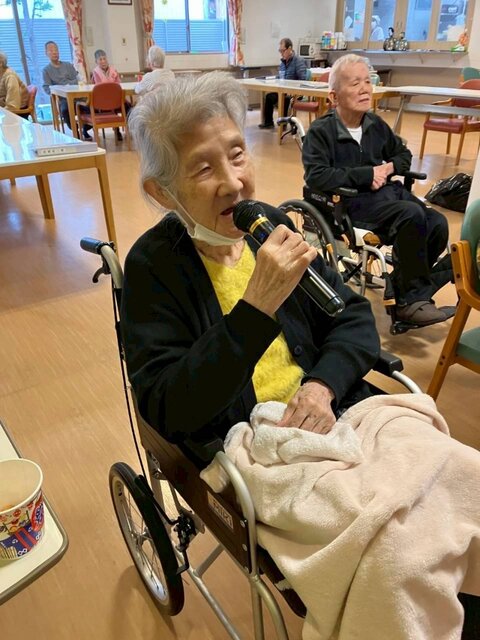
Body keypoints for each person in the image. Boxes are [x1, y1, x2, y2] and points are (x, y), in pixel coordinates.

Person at [121, 71, 480, 639]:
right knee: (397, 556)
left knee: (466, 479)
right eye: (204, 168)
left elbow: (352, 316)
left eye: (237, 154)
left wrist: (322, 384)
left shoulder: (267, 224)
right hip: (255, 443)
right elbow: (168, 406)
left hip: (339, 407)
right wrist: (255, 308)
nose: (234, 183)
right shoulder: (153, 267)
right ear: (163, 192)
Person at [302, 54, 455, 327]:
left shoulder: (376, 125)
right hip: (351, 202)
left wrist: (387, 168)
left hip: (387, 196)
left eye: (367, 81)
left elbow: (403, 155)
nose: (365, 89)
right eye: (355, 83)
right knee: (411, 215)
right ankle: (409, 302)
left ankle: (404, 290)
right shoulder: (321, 132)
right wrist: (366, 175)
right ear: (334, 96)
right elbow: (316, 175)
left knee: (437, 222)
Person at [42, 40, 92, 140]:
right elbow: (47, 88)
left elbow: (78, 79)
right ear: (46, 53)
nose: (54, 52)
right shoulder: (46, 70)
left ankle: (84, 128)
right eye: (51, 50)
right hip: (63, 99)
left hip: (78, 96)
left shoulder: (68, 65)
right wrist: (59, 89)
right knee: (65, 110)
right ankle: (76, 132)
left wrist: (69, 84)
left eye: (56, 50)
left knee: (92, 107)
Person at [258, 37, 307, 129]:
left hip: (293, 92)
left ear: (290, 48)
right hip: (283, 90)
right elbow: (280, 77)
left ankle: (283, 124)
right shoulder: (282, 63)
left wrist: (293, 90)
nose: (281, 53)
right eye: (280, 51)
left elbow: (303, 79)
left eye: (283, 51)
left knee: (286, 98)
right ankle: (268, 122)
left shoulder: (298, 61)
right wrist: (271, 79)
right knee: (269, 97)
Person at [91, 48, 126, 142]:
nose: (103, 61)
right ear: (96, 62)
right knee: (110, 106)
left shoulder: (114, 70)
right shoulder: (95, 72)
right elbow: (99, 86)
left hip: (115, 97)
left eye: (104, 59)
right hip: (102, 100)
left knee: (128, 106)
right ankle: (116, 130)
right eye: (100, 59)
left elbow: (118, 83)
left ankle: (128, 128)